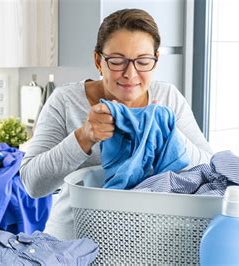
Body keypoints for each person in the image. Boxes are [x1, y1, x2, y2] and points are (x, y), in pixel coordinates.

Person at [19, 8, 213, 240]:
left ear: (156, 60)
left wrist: (168, 133)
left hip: (151, 246)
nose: (130, 74)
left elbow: (210, 169)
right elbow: (32, 184)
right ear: (98, 61)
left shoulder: (169, 98)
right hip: (72, 243)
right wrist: (83, 138)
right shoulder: (65, 101)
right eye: (117, 61)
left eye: (142, 61)